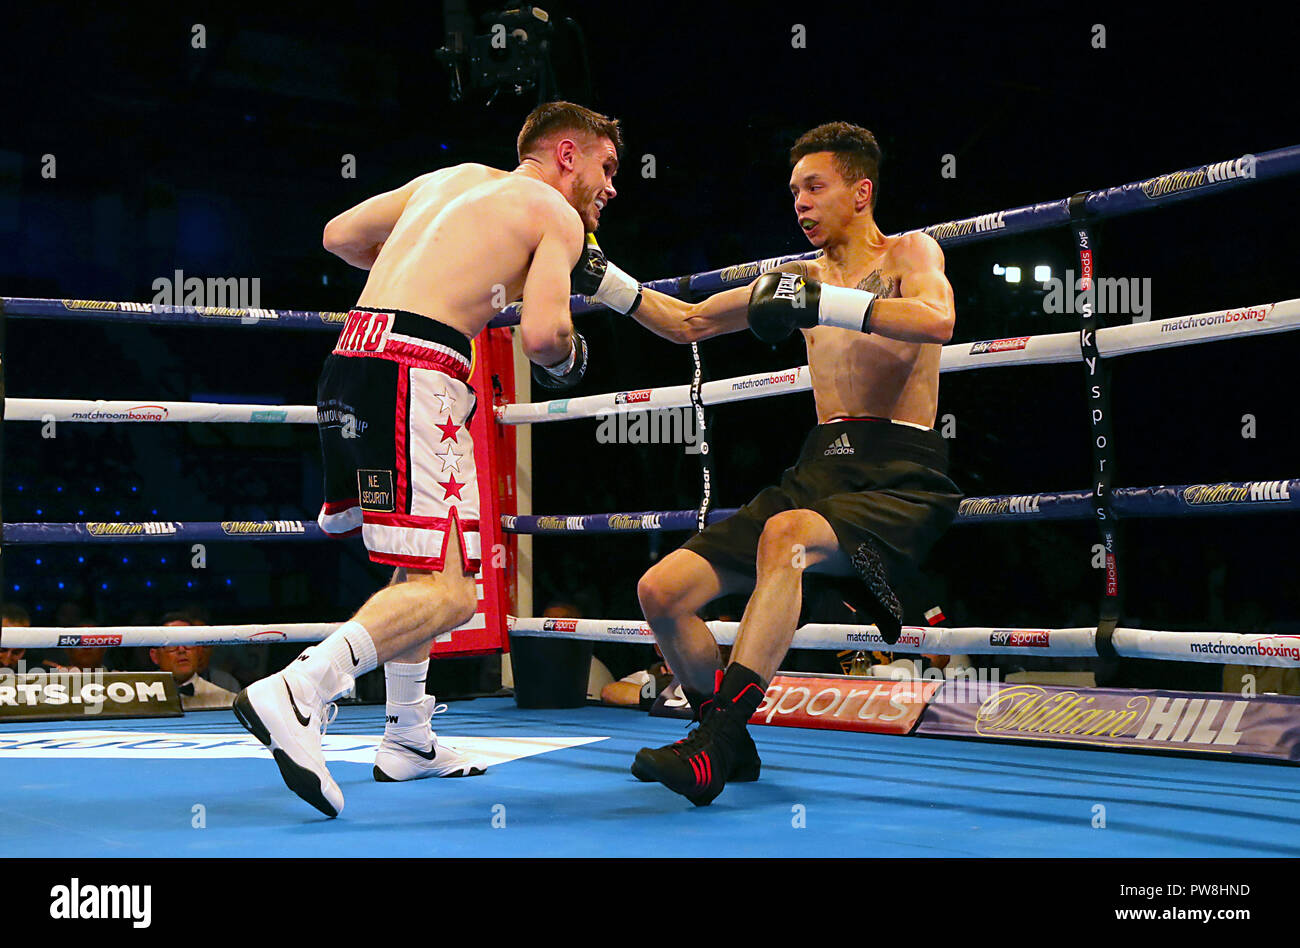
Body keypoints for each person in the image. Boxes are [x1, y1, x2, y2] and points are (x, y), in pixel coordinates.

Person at [233, 101, 644, 817]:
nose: (613, 186)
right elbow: (546, 339)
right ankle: (301, 687)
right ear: (568, 154)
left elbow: (338, 236)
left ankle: (408, 736)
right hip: (418, 369)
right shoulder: (555, 213)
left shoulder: (452, 178)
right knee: (454, 591)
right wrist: (573, 353)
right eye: (607, 168)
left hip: (353, 360)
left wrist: (426, 274)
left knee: (419, 560)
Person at [626, 122, 963, 805]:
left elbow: (937, 319)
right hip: (819, 472)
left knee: (789, 535)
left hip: (897, 473)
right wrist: (605, 284)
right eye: (793, 192)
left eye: (816, 187)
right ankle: (730, 741)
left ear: (860, 192)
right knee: (661, 591)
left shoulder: (909, 252)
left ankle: (714, 745)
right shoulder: (794, 279)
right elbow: (689, 322)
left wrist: (830, 304)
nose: (800, 203)